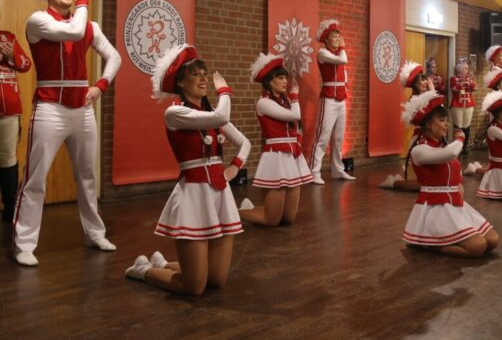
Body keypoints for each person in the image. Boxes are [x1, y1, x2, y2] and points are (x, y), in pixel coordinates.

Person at [14, 0, 122, 266]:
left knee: (87, 175)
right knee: (36, 178)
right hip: (49, 107)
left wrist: (100, 86)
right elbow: (74, 32)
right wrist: (86, 0)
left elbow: (114, 58)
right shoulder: (38, 21)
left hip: (82, 109)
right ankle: (24, 243)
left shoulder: (89, 25)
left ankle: (94, 232)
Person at [124, 44, 250, 295]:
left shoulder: (211, 116)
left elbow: (245, 142)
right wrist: (224, 90)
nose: (204, 78)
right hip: (193, 196)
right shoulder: (175, 113)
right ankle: (144, 270)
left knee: (216, 281)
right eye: (196, 74)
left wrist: (235, 167)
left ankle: (162, 263)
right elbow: (221, 118)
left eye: (205, 73)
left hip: (220, 196)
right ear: (181, 82)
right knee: (194, 287)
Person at [401, 90, 499, 257]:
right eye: (441, 120)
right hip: (435, 208)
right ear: (427, 124)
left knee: (492, 240)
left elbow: (453, 169)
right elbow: (451, 154)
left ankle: (435, 240)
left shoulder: (442, 146)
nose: (446, 124)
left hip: (455, 204)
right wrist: (460, 139)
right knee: (477, 247)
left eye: (447, 120)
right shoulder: (419, 150)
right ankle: (427, 243)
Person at [237, 53, 313, 226]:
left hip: (292, 157)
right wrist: (295, 95)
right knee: (271, 221)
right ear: (270, 82)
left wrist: (298, 142)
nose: (285, 81)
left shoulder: (285, 101)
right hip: (276, 157)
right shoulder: (263, 103)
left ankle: (250, 207)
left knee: (288, 219)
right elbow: (295, 115)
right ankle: (236, 212)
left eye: (285, 77)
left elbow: (297, 124)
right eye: (280, 78)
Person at [309, 19, 355, 185]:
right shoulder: (322, 53)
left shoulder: (338, 54)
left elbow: (344, 70)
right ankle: (314, 172)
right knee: (323, 136)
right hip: (328, 99)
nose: (338, 39)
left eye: (338, 36)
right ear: (326, 40)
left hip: (341, 99)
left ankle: (338, 170)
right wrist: (342, 48)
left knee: (338, 138)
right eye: (334, 37)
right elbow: (342, 61)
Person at [380, 61, 433, 191]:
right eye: (422, 81)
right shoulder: (413, 101)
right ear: (414, 84)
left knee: (434, 181)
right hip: (421, 140)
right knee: (424, 185)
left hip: (433, 139)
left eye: (426, 80)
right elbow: (430, 114)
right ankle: (394, 183)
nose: (425, 83)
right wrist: (432, 92)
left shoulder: (429, 96)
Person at [463, 67, 502, 175]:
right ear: (498, 85)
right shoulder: (494, 98)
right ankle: (475, 169)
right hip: (498, 128)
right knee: (499, 163)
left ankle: (477, 167)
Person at [0, 31, 31, 223]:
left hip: (9, 111)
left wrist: (12, 56)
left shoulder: (8, 37)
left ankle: (10, 208)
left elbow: (26, 65)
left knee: (7, 157)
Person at [449, 59, 476, 153]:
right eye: (464, 69)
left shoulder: (469, 79)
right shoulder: (453, 78)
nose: (466, 70)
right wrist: (463, 83)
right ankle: (458, 147)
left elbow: (473, 88)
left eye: (467, 69)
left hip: (468, 104)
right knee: (458, 126)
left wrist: (470, 82)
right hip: (458, 104)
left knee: (467, 125)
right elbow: (455, 88)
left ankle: (464, 147)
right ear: (459, 69)